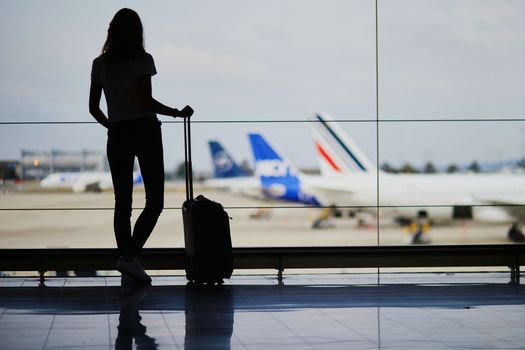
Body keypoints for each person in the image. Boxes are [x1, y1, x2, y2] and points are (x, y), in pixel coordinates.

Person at [89, 8, 193, 284]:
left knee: (122, 202)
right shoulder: (143, 60)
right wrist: (175, 112)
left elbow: (93, 108)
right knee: (155, 202)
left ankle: (128, 258)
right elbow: (146, 102)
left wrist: (112, 125)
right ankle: (129, 258)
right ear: (137, 32)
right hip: (145, 131)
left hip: (118, 133)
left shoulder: (100, 64)